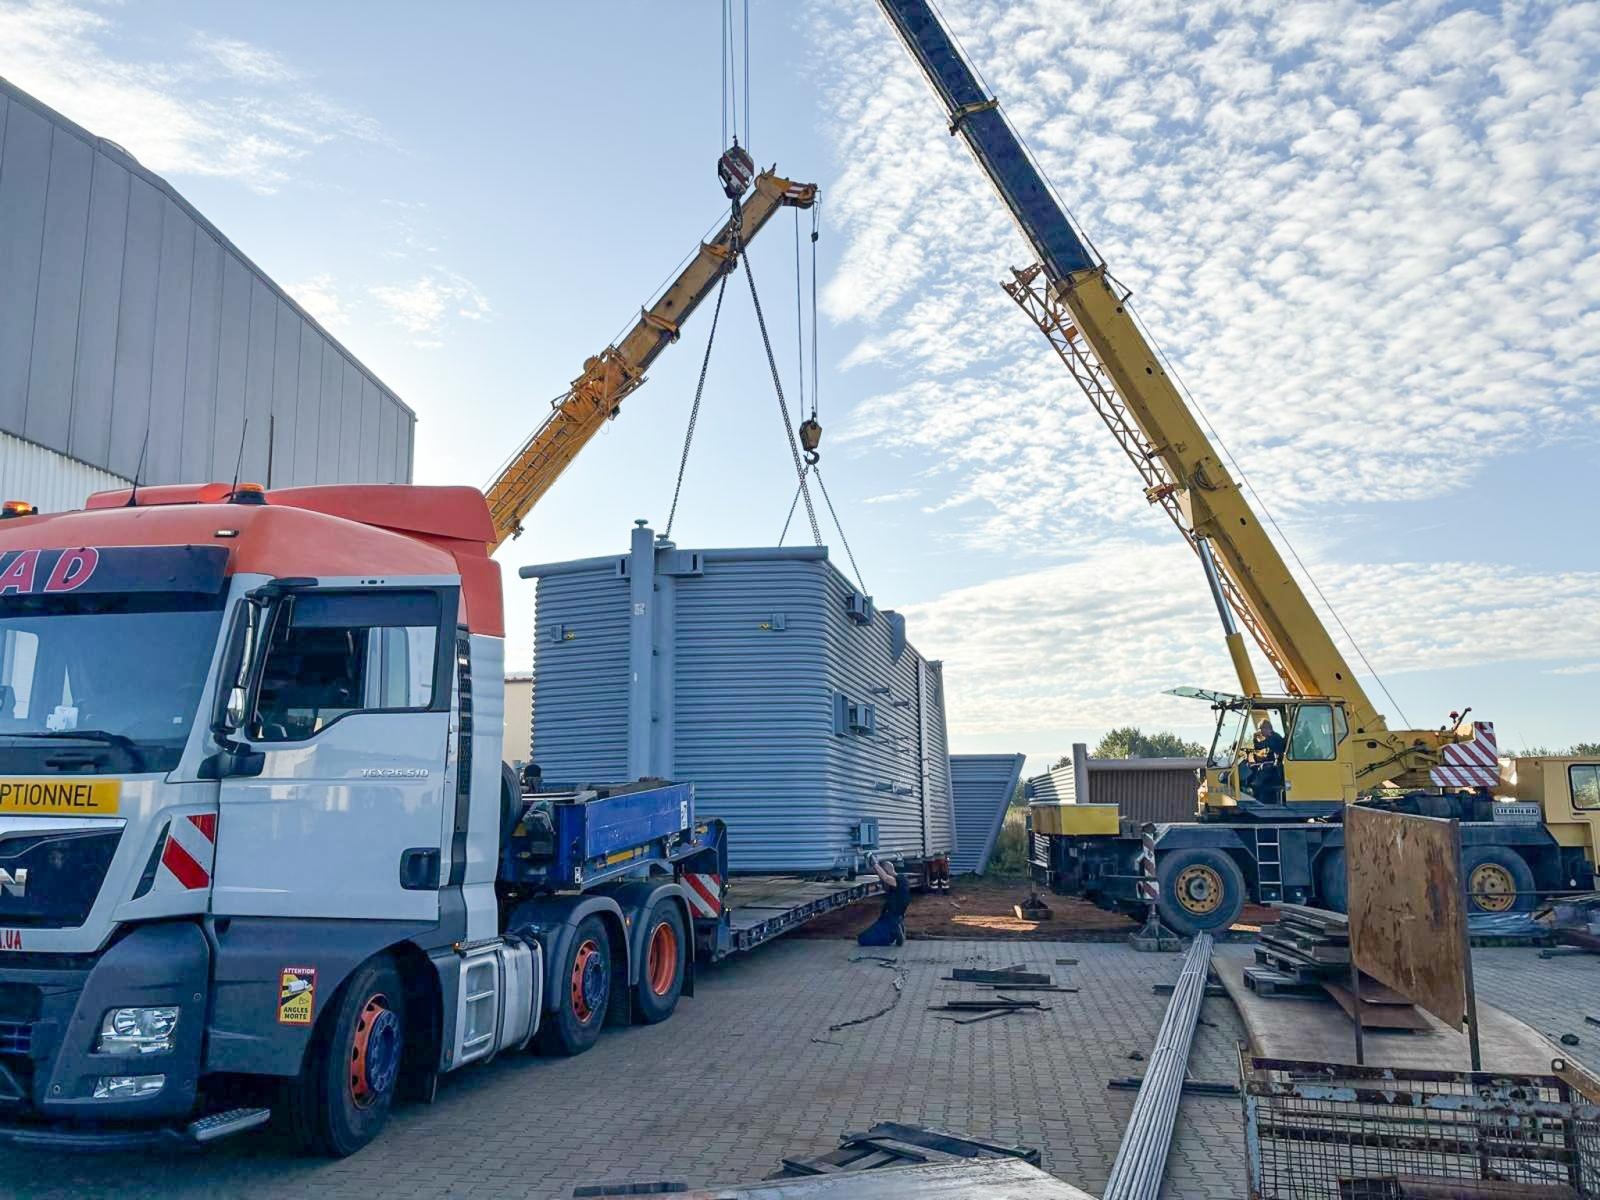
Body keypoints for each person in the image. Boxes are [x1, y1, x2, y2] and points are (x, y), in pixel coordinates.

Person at [856, 854, 911, 947]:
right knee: (882, 937)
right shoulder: (903, 880)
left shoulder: (897, 880)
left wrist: (875, 864)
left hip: (891, 917)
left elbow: (885, 877)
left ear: (887, 870)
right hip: (895, 915)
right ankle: (897, 928)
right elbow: (885, 882)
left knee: (863, 939)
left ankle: (896, 927)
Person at [1242, 716, 1286, 804]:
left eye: (1261, 729)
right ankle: (1251, 789)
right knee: (1253, 766)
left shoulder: (1274, 738)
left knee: (1261, 767)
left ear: (1266, 728)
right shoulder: (1271, 738)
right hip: (1275, 763)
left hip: (1278, 766)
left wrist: (1255, 737)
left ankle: (1255, 787)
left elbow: (1259, 746)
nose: (1260, 732)